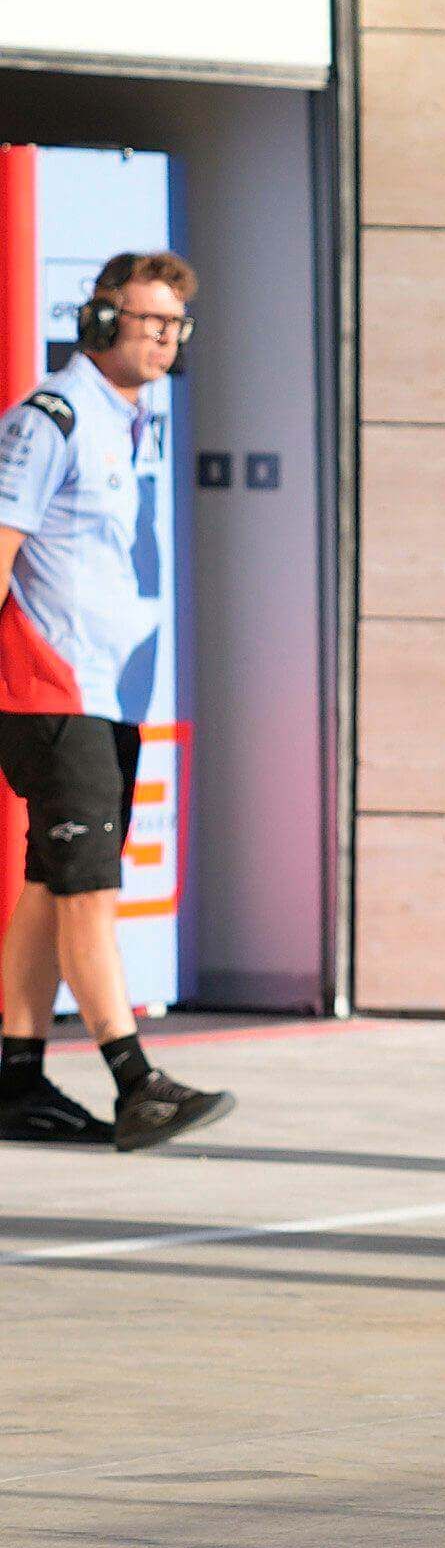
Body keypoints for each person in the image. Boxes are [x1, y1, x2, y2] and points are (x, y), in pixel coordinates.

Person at [0, 252, 231, 1152]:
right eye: (149, 322)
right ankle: (138, 1081)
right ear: (99, 322)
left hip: (99, 691)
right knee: (88, 891)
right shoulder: (53, 417)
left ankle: (16, 1079)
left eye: (176, 325)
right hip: (53, 689)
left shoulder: (122, 421)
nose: (165, 340)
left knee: (48, 884)